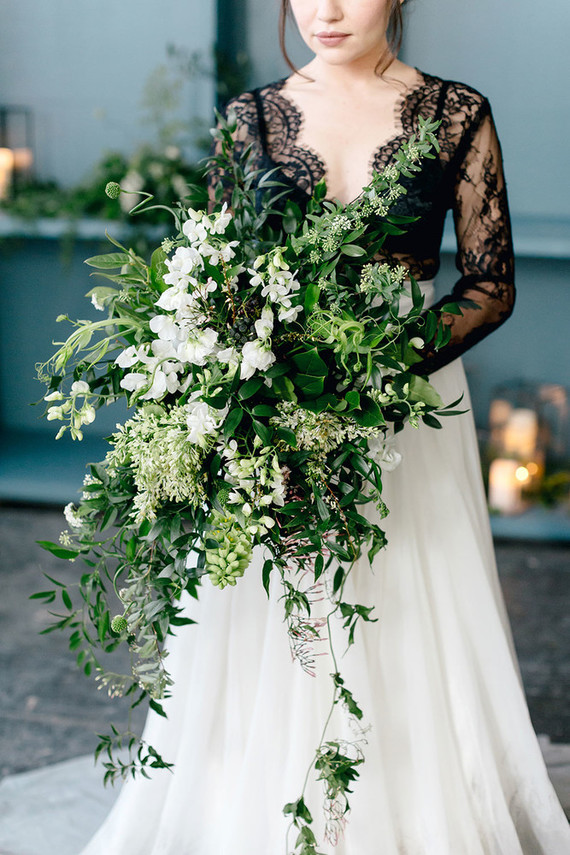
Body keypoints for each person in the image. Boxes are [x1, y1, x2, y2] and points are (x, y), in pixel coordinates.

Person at [80, 1, 570, 853]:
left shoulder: (457, 112)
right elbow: (220, 279)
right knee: (266, 597)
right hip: (274, 402)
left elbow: (490, 284)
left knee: (408, 583)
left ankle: (405, 804)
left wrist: (372, 374)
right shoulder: (252, 119)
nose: (327, 10)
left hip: (405, 406)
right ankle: (262, 801)